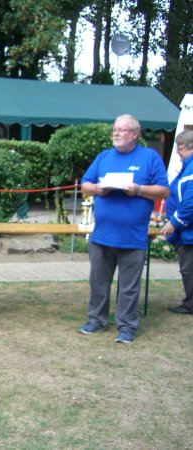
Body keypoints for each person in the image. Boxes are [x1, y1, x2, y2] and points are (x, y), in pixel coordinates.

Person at [78, 114, 169, 344]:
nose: (116, 133)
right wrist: (98, 189)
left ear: (135, 134)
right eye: (114, 130)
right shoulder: (104, 156)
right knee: (98, 282)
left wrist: (138, 190)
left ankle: (127, 326)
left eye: (122, 129)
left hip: (132, 237)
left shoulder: (149, 157)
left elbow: (163, 191)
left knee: (129, 287)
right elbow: (85, 185)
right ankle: (95, 320)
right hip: (102, 236)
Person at [161, 130, 193, 315]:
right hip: (187, 231)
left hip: (189, 232)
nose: (178, 153)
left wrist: (175, 222)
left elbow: (190, 202)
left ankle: (191, 305)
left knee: (189, 269)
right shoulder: (187, 167)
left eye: (181, 149)